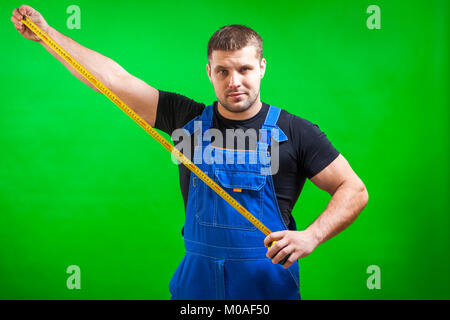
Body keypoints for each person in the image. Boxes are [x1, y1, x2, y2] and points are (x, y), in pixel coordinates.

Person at [11, 5, 369, 300]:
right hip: (196, 291)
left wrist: (311, 236)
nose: (235, 81)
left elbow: (354, 189)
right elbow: (112, 80)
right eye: (223, 71)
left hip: (266, 289)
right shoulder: (185, 119)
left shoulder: (296, 132)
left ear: (262, 68)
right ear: (209, 71)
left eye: (244, 69)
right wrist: (48, 35)